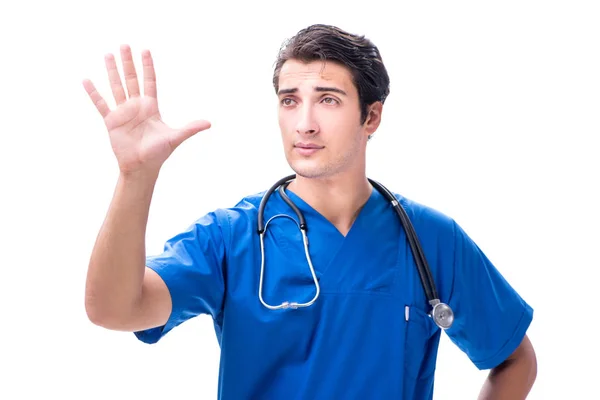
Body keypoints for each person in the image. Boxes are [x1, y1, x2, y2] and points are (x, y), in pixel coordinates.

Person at [83, 24, 537, 399]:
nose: (305, 123)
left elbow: (515, 360)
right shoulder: (232, 237)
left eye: (328, 99)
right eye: (289, 100)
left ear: (371, 117)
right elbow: (114, 308)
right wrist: (135, 177)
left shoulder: (430, 239)